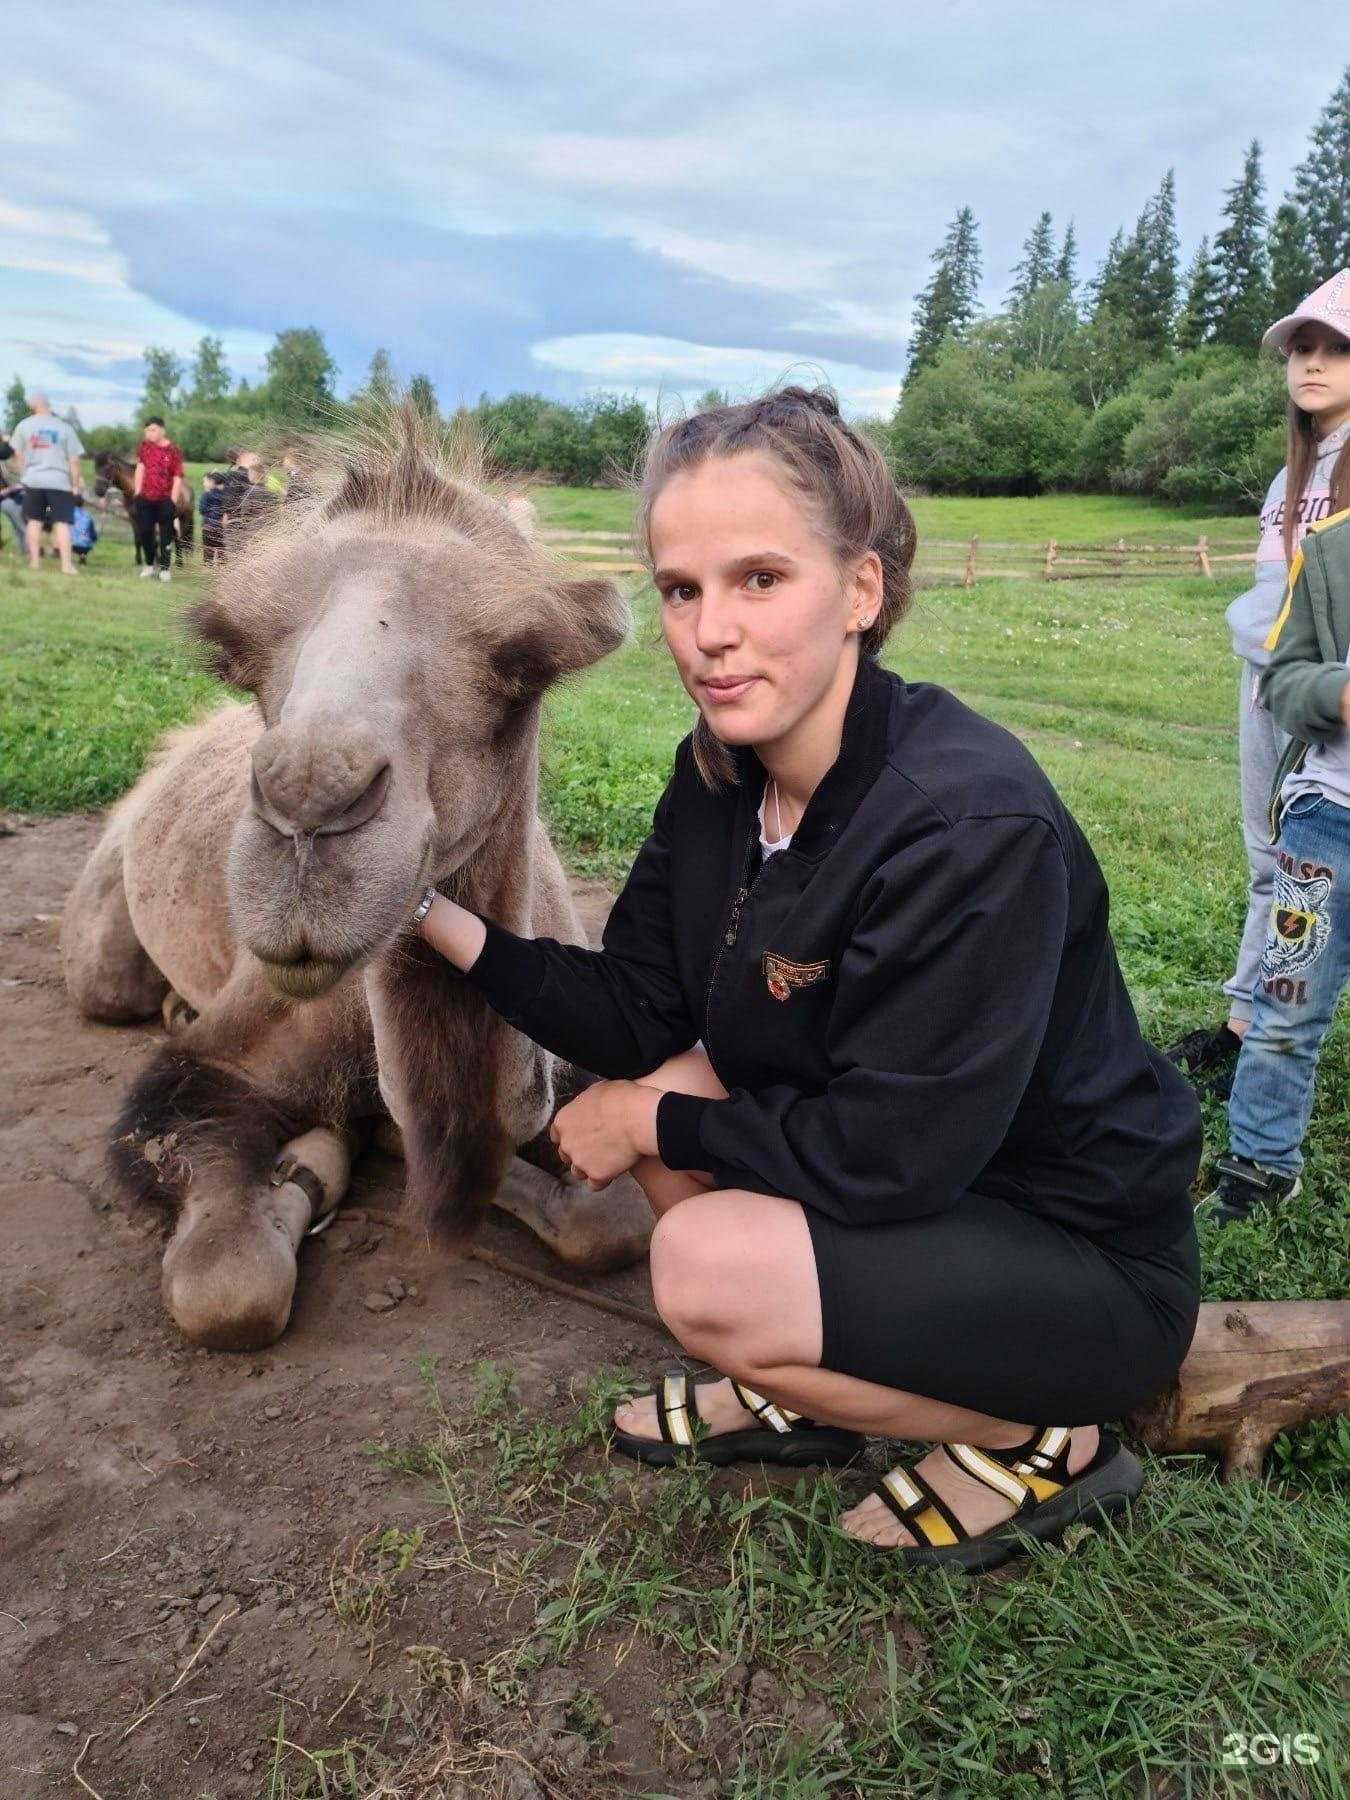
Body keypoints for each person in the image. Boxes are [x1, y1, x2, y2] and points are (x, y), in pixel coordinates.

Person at [409, 386, 1203, 1570]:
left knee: (699, 1258)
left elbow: (890, 1157)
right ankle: (806, 1387)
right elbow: (637, 1008)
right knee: (668, 1073)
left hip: (1076, 1255)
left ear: (863, 592)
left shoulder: (964, 825)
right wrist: (427, 916)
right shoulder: (724, 778)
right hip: (926, 1204)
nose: (708, 632)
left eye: (759, 580)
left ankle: (1044, 1440)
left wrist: (650, 1118)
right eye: (682, 589)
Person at [1167, 272, 1350, 1099]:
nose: (1311, 363)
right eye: (1301, 348)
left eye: (1334, 348)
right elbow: (1272, 597)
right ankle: (1247, 1023)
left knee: (1314, 861)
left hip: (1333, 697)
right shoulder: (1289, 479)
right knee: (1266, 855)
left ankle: (1280, 1025)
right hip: (1268, 684)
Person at [11, 392, 83, 575]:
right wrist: (74, 485)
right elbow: (73, 461)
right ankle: (66, 565)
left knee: (34, 521)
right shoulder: (65, 428)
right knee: (62, 523)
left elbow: (18, 455)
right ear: (49, 406)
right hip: (59, 482)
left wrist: (24, 474)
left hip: (33, 480)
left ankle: (35, 562)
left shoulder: (24, 426)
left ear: (33, 406)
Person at [133, 416, 185, 582]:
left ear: (162, 430)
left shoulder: (173, 450)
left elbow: (177, 476)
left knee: (165, 535)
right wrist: (137, 491)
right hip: (145, 498)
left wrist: (172, 500)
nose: (150, 433)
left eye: (153, 429)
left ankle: (164, 568)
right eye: (147, 430)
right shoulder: (144, 447)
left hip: (165, 499)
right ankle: (149, 565)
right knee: (145, 533)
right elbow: (140, 468)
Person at [199, 471, 227, 564]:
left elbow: (202, 510)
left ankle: (208, 564)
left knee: (208, 547)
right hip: (220, 525)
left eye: (205, 481)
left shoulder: (205, 495)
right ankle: (221, 563)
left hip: (208, 525)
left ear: (211, 482)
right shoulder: (223, 495)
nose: (203, 484)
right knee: (220, 545)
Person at [69, 497, 99, 565]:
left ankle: (66, 557)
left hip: (72, 544)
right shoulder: (87, 516)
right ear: (83, 504)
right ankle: (82, 556)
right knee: (85, 540)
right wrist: (94, 540)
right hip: (85, 546)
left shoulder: (69, 514)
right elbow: (92, 533)